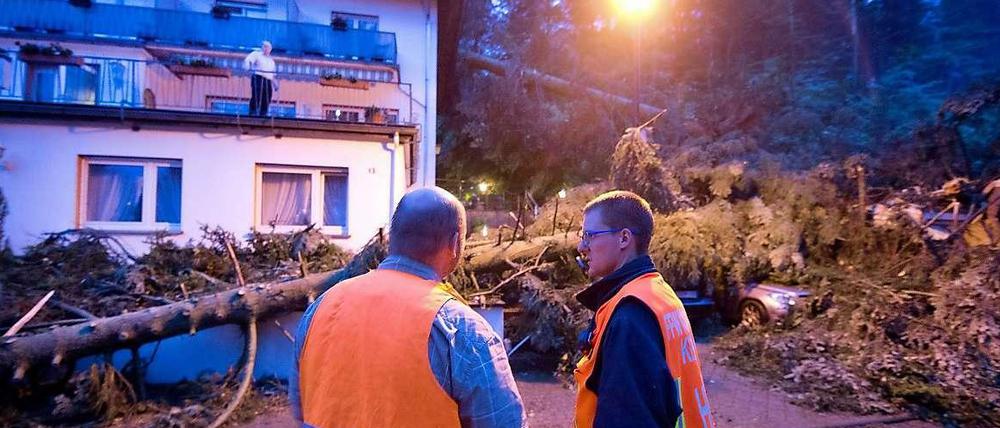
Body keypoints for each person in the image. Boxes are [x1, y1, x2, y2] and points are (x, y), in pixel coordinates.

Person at [290, 187, 526, 428]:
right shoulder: (462, 331)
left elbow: (302, 409)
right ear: (455, 243)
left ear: (393, 237)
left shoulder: (321, 307)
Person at [573, 190, 715, 428]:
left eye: (589, 235)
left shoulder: (630, 316)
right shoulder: (659, 295)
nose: (581, 246)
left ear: (624, 239)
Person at [243, 40, 277, 116]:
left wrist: (275, 84)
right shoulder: (256, 54)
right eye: (264, 46)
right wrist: (247, 67)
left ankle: (263, 114)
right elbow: (248, 60)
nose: (266, 48)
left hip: (268, 81)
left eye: (267, 47)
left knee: (267, 98)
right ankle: (252, 112)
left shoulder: (271, 61)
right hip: (258, 78)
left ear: (270, 49)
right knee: (256, 96)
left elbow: (273, 74)